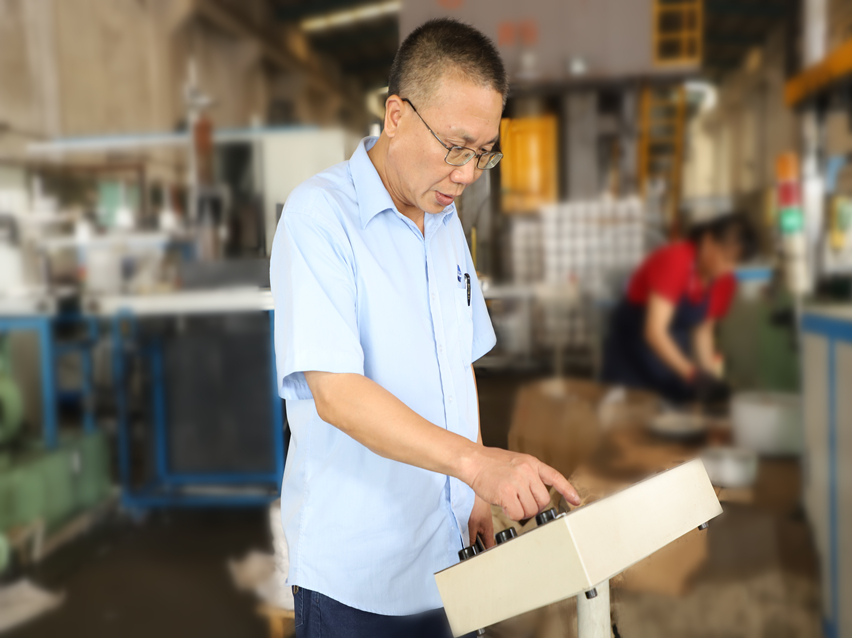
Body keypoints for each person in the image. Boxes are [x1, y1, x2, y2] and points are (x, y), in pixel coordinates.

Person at [270, 18, 580, 638]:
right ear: (396, 116)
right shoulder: (320, 216)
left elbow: (458, 366)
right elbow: (338, 395)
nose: (468, 174)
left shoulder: (443, 224)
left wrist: (473, 497)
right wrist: (477, 465)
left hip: (446, 555)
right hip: (358, 578)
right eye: (455, 147)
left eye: (483, 153)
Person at [601, 212, 757, 405]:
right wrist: (693, 375)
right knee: (628, 413)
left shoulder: (725, 281)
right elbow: (654, 332)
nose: (729, 268)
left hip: (673, 358)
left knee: (676, 413)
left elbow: (703, 331)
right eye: (725, 259)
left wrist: (709, 382)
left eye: (735, 263)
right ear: (708, 241)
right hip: (632, 355)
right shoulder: (677, 259)